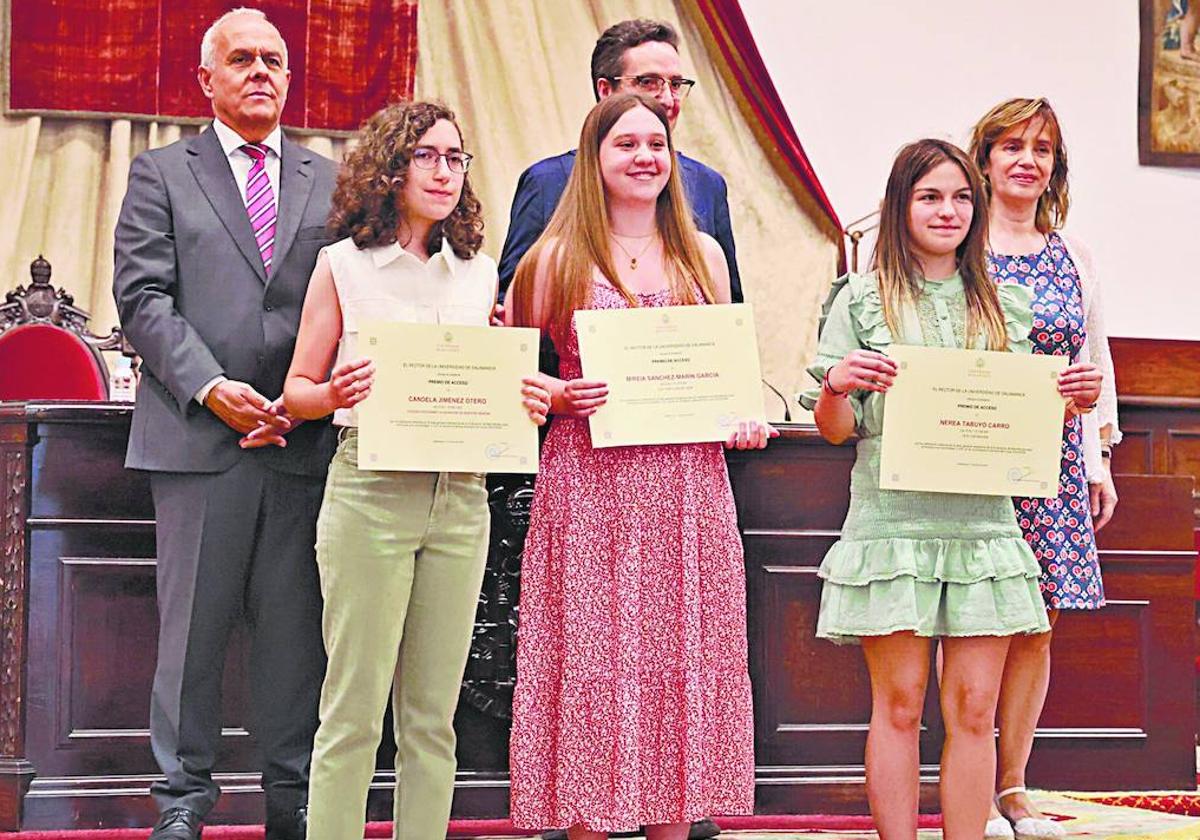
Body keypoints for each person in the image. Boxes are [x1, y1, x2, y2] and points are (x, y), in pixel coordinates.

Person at [799, 139, 1089, 840]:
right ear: (900, 206)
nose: (949, 209)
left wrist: (1067, 402)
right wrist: (838, 385)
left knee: (974, 713)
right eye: (930, 195)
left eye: (962, 196)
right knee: (898, 706)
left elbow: (1021, 424)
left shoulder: (1004, 304)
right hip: (892, 525)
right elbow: (836, 431)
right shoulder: (860, 298)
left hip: (984, 531)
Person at [279, 100, 550, 840]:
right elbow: (296, 392)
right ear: (390, 168)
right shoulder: (342, 264)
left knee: (433, 719)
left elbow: (492, 386)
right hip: (370, 490)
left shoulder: (479, 273)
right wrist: (333, 393)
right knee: (354, 712)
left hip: (462, 498)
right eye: (427, 155)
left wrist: (519, 394)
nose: (444, 171)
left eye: (456, 158)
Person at [505, 93, 772, 840]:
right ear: (594, 158)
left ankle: (671, 826)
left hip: (688, 488)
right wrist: (558, 393)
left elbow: (729, 379)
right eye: (626, 144)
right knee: (594, 659)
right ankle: (588, 825)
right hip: (589, 487)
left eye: (656, 143)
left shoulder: (704, 255)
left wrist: (743, 417)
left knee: (678, 658)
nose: (645, 157)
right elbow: (514, 381)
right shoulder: (551, 258)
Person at [112, 8, 335, 840]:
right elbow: (141, 298)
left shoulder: (330, 177)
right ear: (206, 79)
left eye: (274, 60)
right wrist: (212, 387)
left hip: (301, 441)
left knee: (294, 638)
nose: (261, 73)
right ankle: (181, 804)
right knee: (192, 640)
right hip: (200, 442)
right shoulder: (162, 172)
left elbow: (348, 295)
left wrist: (303, 397)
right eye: (241, 59)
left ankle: (293, 799)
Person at [969, 97, 1120, 840]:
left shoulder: (1075, 256)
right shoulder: (956, 246)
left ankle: (1013, 789)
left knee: (1035, 625)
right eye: (1012, 146)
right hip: (971, 456)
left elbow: (1095, 364)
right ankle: (966, 783)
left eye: (1043, 149)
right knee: (972, 624)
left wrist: (1099, 462)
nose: (1028, 159)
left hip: (1054, 462)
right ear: (986, 157)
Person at [499, 18, 741, 305]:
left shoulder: (707, 184)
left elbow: (729, 316)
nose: (666, 98)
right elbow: (516, 313)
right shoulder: (546, 182)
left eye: (676, 84)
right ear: (605, 90)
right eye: (648, 82)